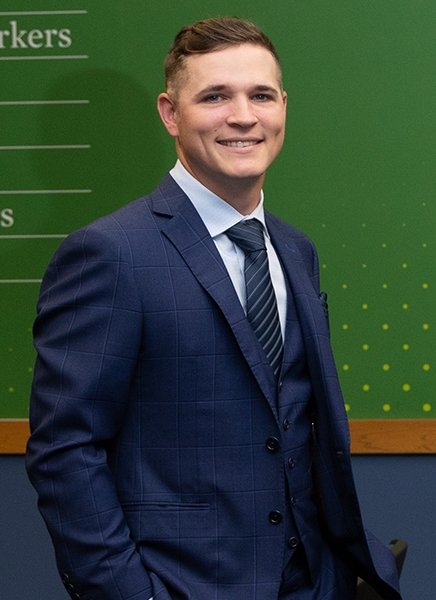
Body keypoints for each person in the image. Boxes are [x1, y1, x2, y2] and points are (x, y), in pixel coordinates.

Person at [26, 16, 402, 600]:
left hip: (317, 582)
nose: (243, 116)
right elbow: (65, 450)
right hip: (185, 586)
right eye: (215, 96)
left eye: (261, 95)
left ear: (283, 106)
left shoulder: (296, 249)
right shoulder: (109, 253)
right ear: (171, 114)